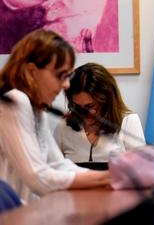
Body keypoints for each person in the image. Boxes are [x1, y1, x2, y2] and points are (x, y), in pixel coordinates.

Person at [0, 30, 110, 202]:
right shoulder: (15, 101)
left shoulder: (36, 107)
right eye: (61, 75)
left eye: (68, 76)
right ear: (32, 71)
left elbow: (59, 165)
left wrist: (111, 177)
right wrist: (109, 178)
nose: (66, 85)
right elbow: (38, 177)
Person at [53, 63, 145, 163]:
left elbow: (141, 171)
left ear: (107, 101)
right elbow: (50, 170)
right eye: (77, 107)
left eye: (90, 106)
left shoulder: (128, 121)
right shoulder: (64, 126)